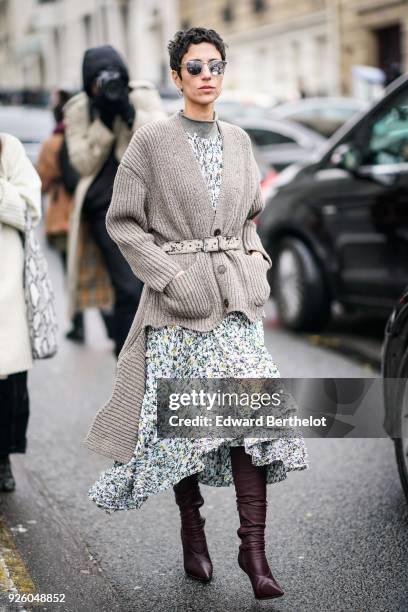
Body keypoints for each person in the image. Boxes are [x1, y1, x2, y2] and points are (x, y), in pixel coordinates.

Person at [85, 28, 309, 600]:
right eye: (195, 66)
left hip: (235, 301)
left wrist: (255, 266)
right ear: (176, 76)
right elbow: (123, 222)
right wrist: (169, 276)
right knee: (188, 426)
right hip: (179, 305)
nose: (207, 75)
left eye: (215, 65)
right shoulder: (152, 142)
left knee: (252, 421)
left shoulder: (238, 139)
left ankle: (253, 551)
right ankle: (193, 528)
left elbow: (252, 217)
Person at [63, 45, 165, 356]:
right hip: (103, 209)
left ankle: (141, 355)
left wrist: (128, 112)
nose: (107, 85)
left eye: (113, 78)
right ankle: (129, 360)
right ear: (88, 84)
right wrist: (104, 125)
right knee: (127, 286)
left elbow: (161, 143)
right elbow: (82, 164)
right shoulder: (79, 110)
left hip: (146, 205)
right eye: (99, 81)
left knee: (152, 284)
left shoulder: (141, 95)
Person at [0, 132, 42, 491]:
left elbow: (30, 210)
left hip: (5, 281)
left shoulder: (6, 147)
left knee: (7, 378)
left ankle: (3, 458)